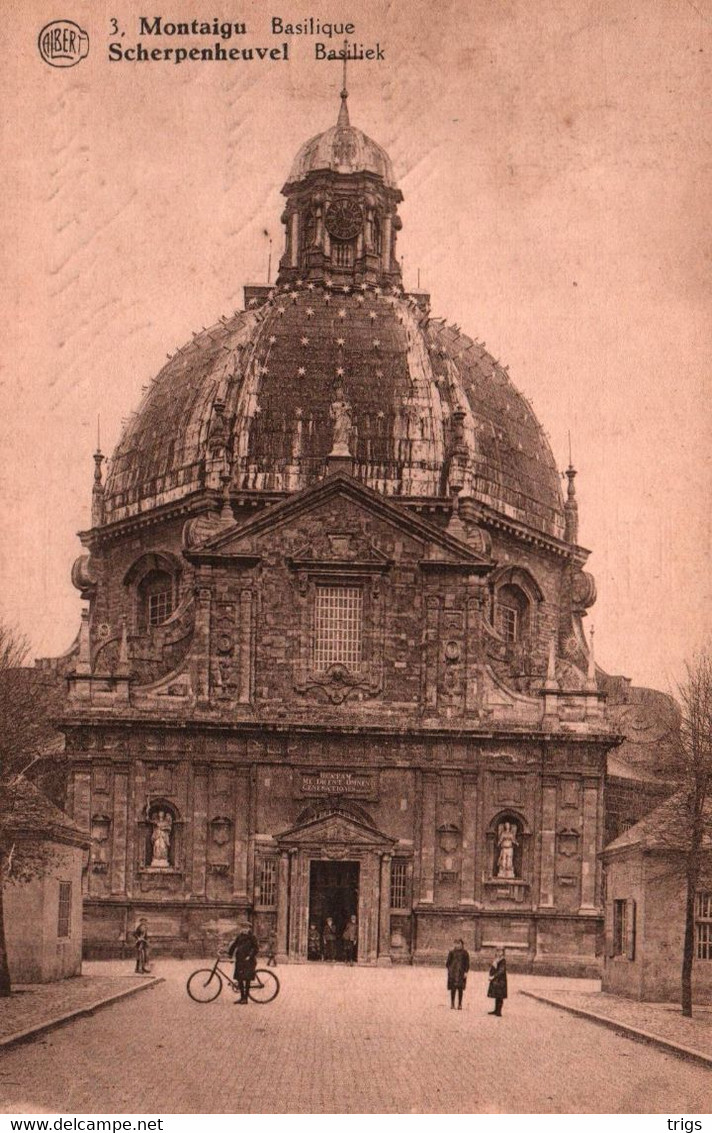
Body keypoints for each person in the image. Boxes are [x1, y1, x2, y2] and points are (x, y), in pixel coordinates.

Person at [227, 919, 259, 1004]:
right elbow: (234, 945)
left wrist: (250, 956)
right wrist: (229, 953)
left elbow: (256, 948)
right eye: (243, 928)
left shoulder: (252, 937)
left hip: (249, 961)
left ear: (249, 928)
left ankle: (246, 999)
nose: (244, 929)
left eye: (246, 928)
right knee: (240, 979)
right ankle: (242, 997)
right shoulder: (240, 936)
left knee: (247, 980)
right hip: (240, 960)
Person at [445, 938, 470, 1010]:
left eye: (459, 943)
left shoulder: (465, 953)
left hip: (461, 973)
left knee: (460, 989)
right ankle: (452, 1003)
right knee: (453, 989)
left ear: (462, 944)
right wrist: (450, 970)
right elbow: (447, 963)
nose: (457, 945)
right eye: (456, 943)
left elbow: (467, 963)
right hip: (453, 973)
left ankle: (460, 1004)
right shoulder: (452, 952)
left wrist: (466, 972)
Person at [487, 948, 508, 1016]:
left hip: (501, 980)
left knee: (500, 996)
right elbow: (492, 969)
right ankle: (496, 1010)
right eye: (497, 951)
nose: (499, 953)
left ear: (503, 952)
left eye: (500, 951)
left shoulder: (503, 960)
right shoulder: (496, 960)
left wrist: (494, 976)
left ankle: (499, 1011)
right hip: (496, 980)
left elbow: (501, 971)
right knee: (497, 995)